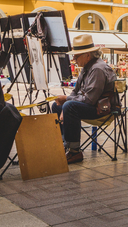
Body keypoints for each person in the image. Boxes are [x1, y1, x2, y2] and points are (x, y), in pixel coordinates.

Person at [52, 34, 117, 164]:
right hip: (93, 104)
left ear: (87, 55)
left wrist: (67, 100)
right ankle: (63, 143)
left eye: (76, 55)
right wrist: (66, 100)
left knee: (69, 106)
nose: (74, 58)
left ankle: (74, 151)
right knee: (57, 106)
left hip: (101, 108)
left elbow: (90, 100)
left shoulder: (97, 69)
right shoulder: (87, 68)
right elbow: (76, 91)